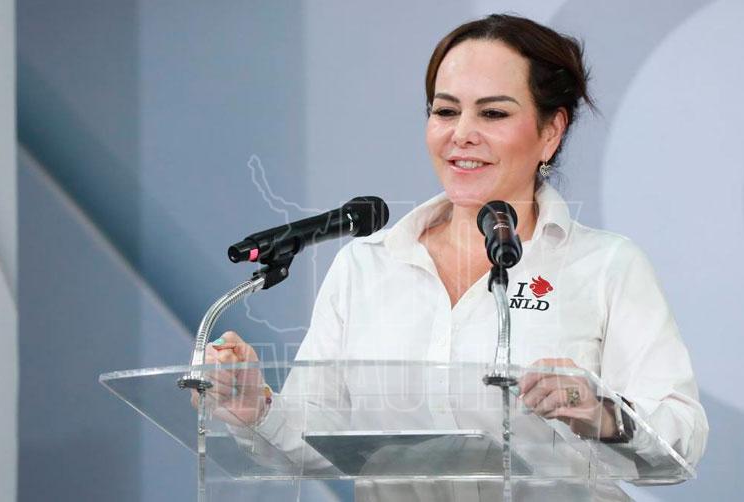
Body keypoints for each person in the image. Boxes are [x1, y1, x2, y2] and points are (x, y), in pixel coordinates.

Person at [198, 14, 708, 501]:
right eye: (445, 111)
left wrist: (600, 412)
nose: (461, 133)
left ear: (551, 131)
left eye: (493, 113)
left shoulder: (606, 266)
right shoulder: (367, 266)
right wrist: (253, 405)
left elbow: (680, 448)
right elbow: (313, 442)